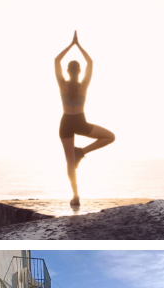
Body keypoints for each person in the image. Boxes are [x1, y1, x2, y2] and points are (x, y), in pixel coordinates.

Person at [55, 31, 115, 206]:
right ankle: (81, 152)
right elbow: (90, 62)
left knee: (70, 162)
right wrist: (78, 45)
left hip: (66, 122)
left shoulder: (62, 84)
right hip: (80, 122)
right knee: (110, 137)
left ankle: (75, 196)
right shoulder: (84, 85)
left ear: (67, 71)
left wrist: (70, 45)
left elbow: (56, 61)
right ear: (80, 71)